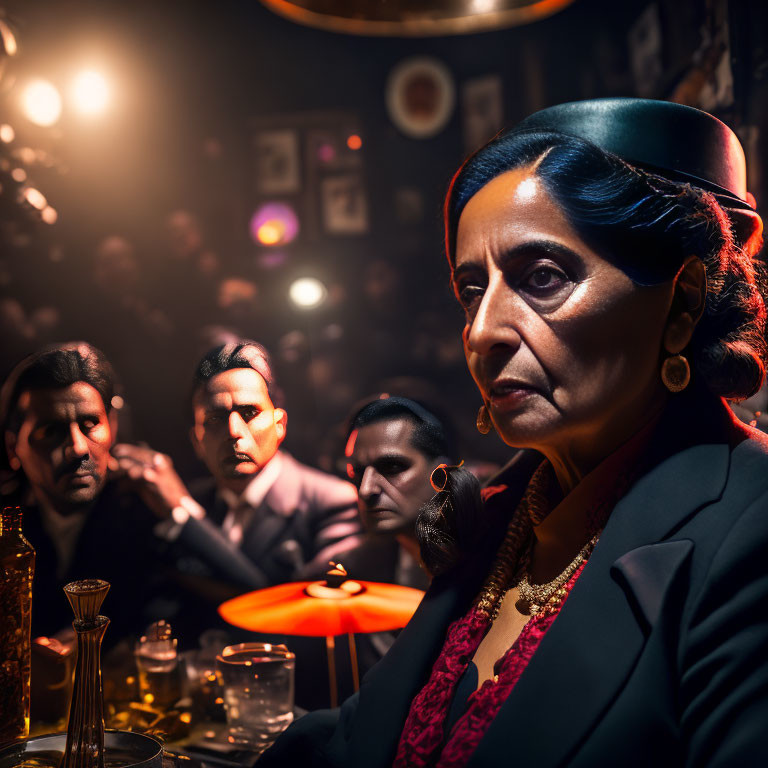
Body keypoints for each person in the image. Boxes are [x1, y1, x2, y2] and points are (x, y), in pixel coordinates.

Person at [261, 98, 768, 767]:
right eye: (473, 289)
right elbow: (363, 736)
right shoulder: (500, 516)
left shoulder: (749, 529)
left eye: (543, 279)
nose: (481, 332)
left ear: (682, 302)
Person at [111, 341, 366, 633]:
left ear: (279, 424)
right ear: (197, 440)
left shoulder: (333, 501)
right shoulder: (194, 498)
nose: (234, 432)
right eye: (215, 419)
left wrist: (184, 517)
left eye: (249, 413)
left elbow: (291, 614)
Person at [0, 342, 159, 644]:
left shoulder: (144, 509)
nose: (77, 447)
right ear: (13, 448)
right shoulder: (7, 523)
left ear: (112, 424)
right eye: (51, 431)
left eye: (90, 424)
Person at [344, 395, 458, 591]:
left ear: (442, 473)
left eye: (393, 467)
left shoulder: (494, 556)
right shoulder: (358, 567)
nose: (366, 490)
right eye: (358, 472)